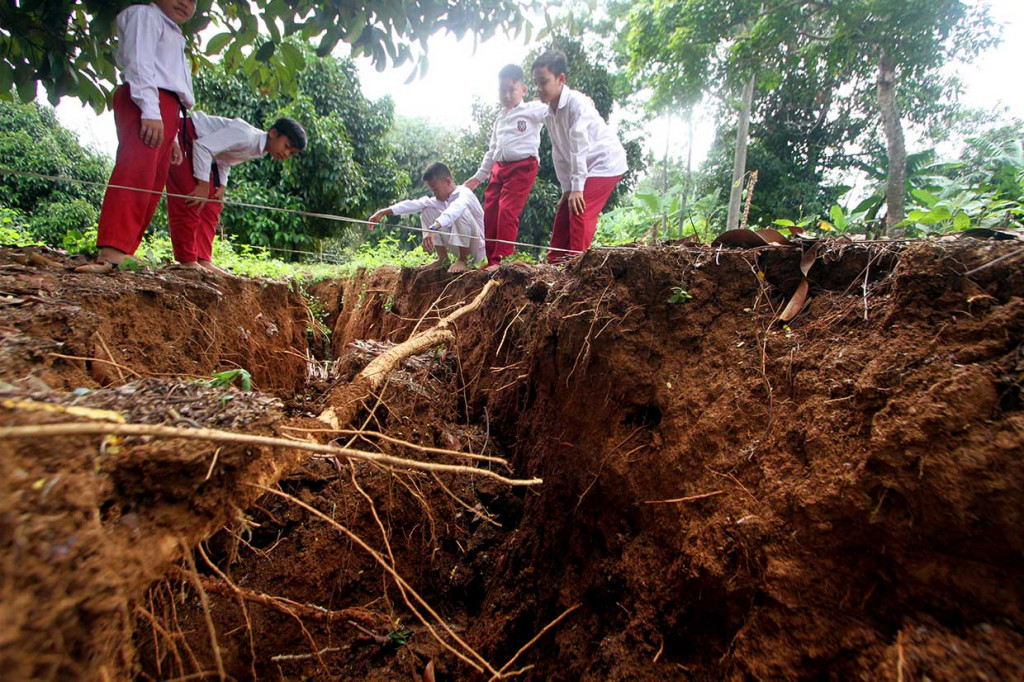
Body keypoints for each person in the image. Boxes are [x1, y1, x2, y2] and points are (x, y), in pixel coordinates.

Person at [77, 0, 197, 273]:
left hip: (165, 109)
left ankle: (124, 249)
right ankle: (112, 249)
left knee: (152, 183)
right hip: (148, 101)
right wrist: (150, 109)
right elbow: (139, 63)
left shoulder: (175, 33)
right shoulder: (145, 16)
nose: (185, 3)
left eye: (193, 0)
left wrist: (174, 137)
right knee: (136, 172)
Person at [166, 114, 306, 274]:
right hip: (186, 137)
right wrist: (203, 184)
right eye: (286, 146)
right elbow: (203, 146)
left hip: (206, 155)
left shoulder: (258, 149)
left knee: (213, 205)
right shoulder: (246, 136)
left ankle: (202, 259)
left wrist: (222, 186)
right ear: (273, 133)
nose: (286, 154)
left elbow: (225, 159)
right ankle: (187, 261)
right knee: (191, 199)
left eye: (291, 153)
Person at [531, 49, 628, 264]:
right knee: (565, 211)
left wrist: (577, 188)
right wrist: (568, 189)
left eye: (544, 82)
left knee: (579, 211)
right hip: (583, 168)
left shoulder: (577, 104)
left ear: (561, 79)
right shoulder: (549, 114)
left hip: (605, 162)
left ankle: (577, 268)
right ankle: (555, 265)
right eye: (536, 83)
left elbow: (578, 145)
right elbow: (559, 152)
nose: (539, 88)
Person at [464, 64, 546, 270]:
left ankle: (502, 260)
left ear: (523, 90)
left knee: (507, 211)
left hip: (523, 166)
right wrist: (479, 176)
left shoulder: (533, 109)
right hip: (499, 168)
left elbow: (557, 106)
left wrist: (580, 100)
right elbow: (492, 150)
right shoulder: (499, 119)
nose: (507, 95)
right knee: (490, 212)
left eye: (512, 89)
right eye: (503, 90)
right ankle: (492, 260)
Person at [368, 163, 485, 274]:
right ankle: (442, 258)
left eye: (436, 190)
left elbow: (454, 210)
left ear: (448, 182)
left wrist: (434, 227)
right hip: (458, 248)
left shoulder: (464, 194)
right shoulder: (440, 200)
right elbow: (413, 204)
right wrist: (383, 212)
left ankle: (463, 260)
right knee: (427, 211)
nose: (435, 194)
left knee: (460, 211)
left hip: (477, 248)